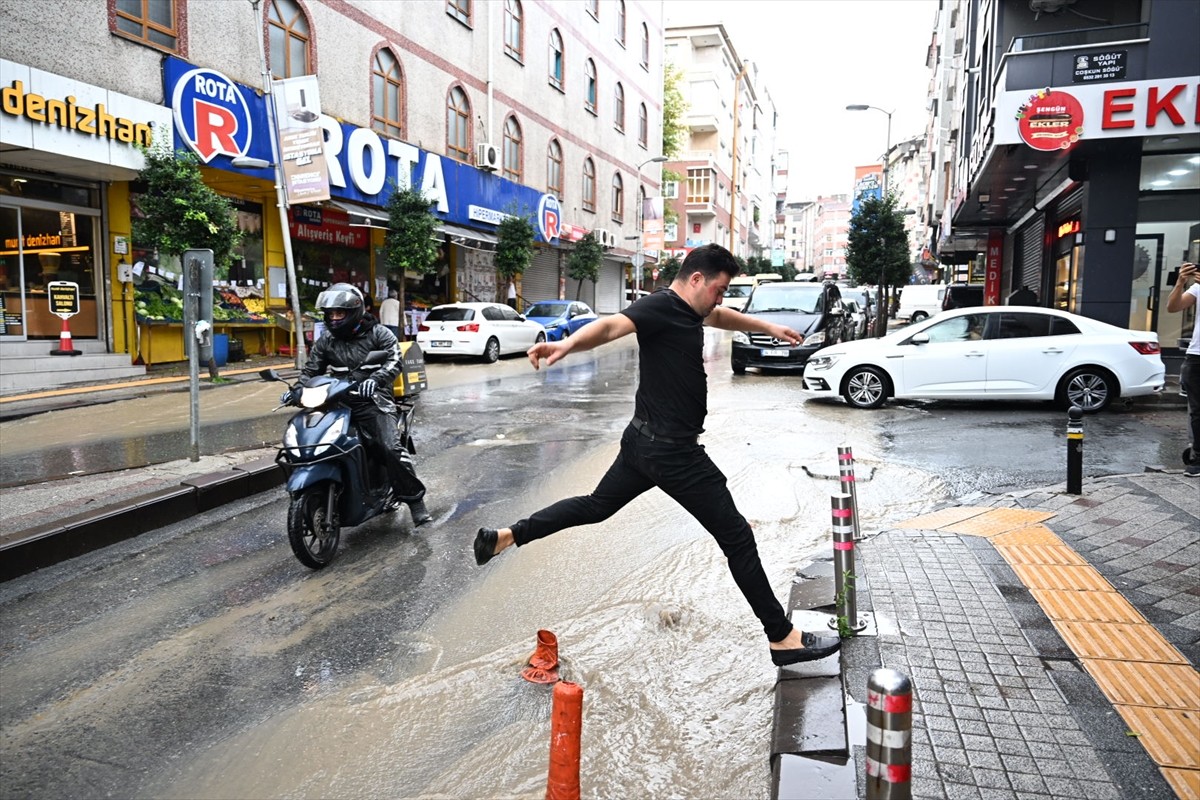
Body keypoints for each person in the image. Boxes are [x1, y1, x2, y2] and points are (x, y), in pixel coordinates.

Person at [471, 244, 842, 666]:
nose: (720, 299)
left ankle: (506, 536)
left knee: (596, 506)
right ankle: (782, 637)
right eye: (719, 289)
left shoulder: (691, 308)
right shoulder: (659, 306)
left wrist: (766, 327)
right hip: (673, 454)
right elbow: (611, 326)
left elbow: (718, 316)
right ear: (697, 279)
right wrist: (565, 344)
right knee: (737, 537)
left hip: (641, 442)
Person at [284, 283, 433, 523]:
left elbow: (394, 362)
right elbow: (311, 370)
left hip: (373, 401)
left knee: (389, 447)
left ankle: (415, 500)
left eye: (339, 313)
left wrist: (375, 380)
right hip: (336, 401)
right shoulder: (326, 341)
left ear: (354, 310)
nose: (334, 318)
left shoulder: (379, 333)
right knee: (306, 438)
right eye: (330, 314)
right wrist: (296, 391)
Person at [1165, 261, 1199, 477]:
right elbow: (1173, 307)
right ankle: (1198, 457)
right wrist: (1180, 282)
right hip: (1197, 356)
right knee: (1197, 411)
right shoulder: (1197, 287)